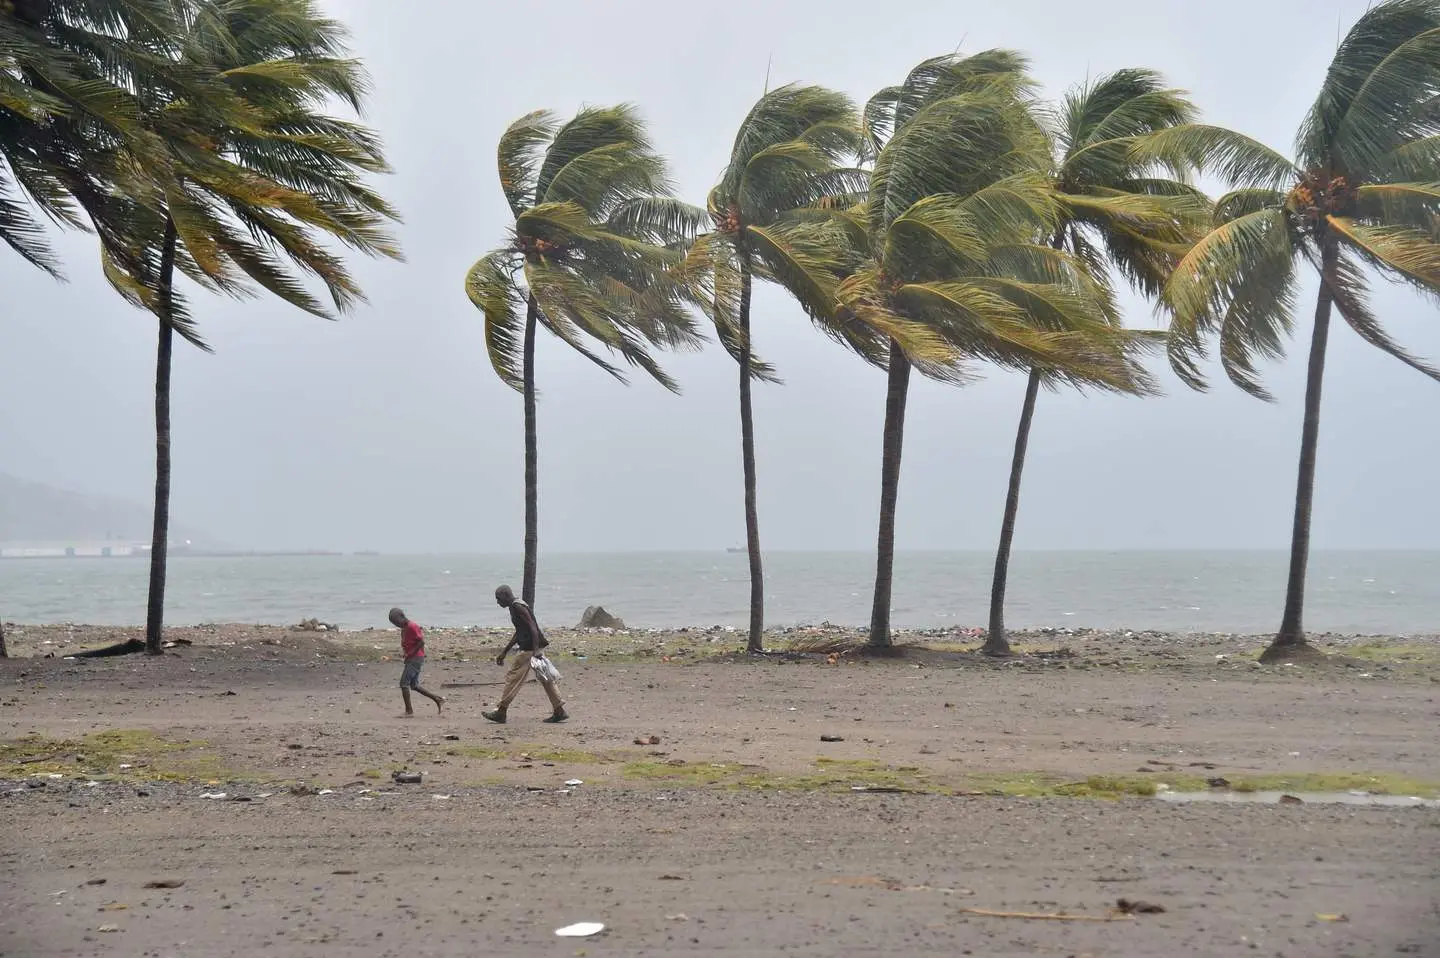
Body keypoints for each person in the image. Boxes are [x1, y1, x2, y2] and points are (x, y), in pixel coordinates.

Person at [483, 585, 568, 724]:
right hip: (533, 648)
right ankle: (559, 710)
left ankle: (501, 711)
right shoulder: (515, 606)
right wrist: (504, 652)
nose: (498, 602)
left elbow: (532, 627)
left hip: (530, 649)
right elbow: (519, 631)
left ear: (506, 595)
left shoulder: (518, 607)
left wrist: (535, 650)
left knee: (513, 677)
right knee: (545, 678)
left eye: (498, 599)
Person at [390, 607, 444, 717]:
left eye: (396, 622)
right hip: (412, 658)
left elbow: (421, 642)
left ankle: (409, 711)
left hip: (416, 659)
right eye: (393, 623)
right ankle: (437, 699)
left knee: (404, 684)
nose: (396, 625)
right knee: (414, 685)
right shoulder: (404, 628)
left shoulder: (412, 626)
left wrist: (411, 654)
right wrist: (406, 654)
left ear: (401, 617)